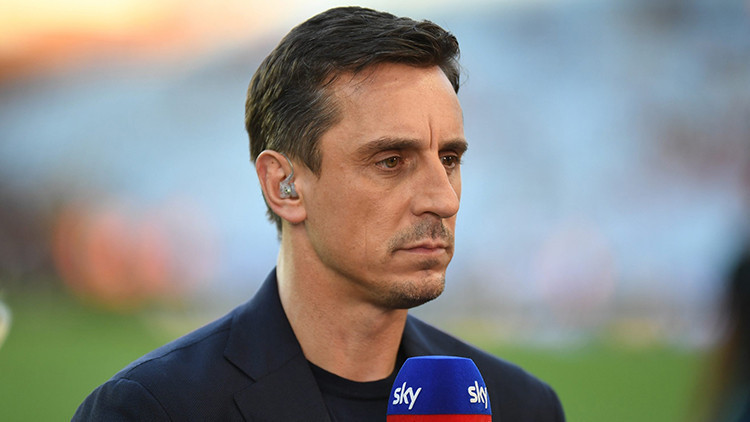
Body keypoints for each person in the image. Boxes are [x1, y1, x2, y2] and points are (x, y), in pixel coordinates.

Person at [73, 6, 565, 421]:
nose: (444, 199)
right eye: (391, 161)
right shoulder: (156, 408)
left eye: (450, 159)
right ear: (284, 186)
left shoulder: (522, 407)